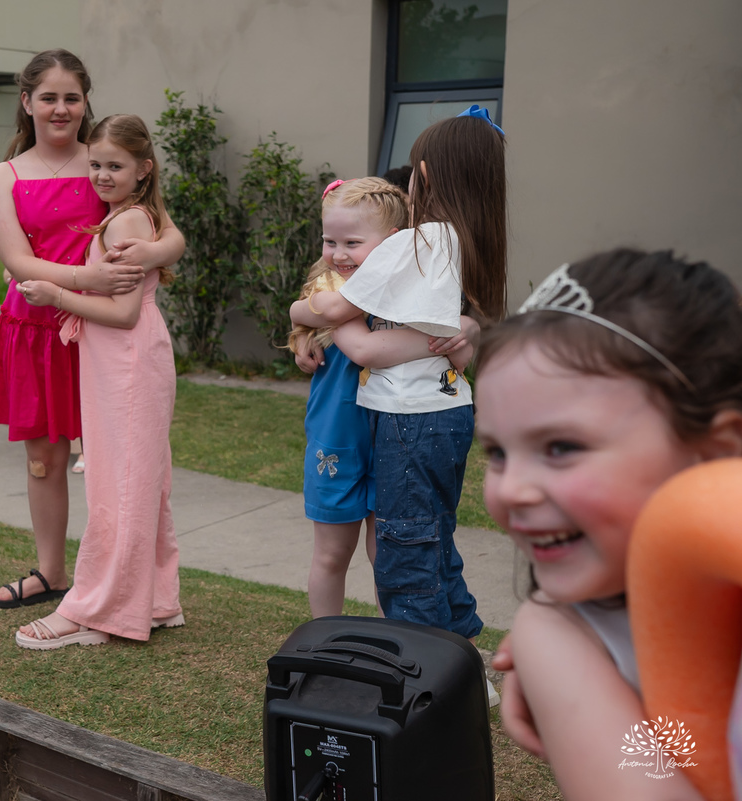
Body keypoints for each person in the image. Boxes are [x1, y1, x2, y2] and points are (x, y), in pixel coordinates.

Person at [475, 250, 742, 799]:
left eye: (562, 446)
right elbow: (680, 753)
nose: (510, 490)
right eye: (496, 452)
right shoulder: (572, 637)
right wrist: (556, 651)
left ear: (716, 452)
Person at [289, 108, 506, 640]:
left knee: (405, 556)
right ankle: (458, 654)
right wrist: (461, 333)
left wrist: (303, 311)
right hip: (447, 411)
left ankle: (426, 670)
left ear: (424, 176)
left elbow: (348, 328)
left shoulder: (419, 242)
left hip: (410, 418)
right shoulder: (469, 242)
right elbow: (460, 346)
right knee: (431, 542)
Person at [0, 49, 185, 610]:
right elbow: (19, 262)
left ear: (85, 102)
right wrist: (87, 274)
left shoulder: (103, 159)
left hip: (102, 333)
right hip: (33, 328)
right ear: (26, 102)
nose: (60, 108)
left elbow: (172, 236)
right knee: (44, 458)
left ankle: (119, 576)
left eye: (72, 97)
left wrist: (150, 252)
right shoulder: (5, 177)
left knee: (110, 457)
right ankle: (51, 573)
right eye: (48, 97)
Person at [14, 113, 180, 648]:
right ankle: (153, 601)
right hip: (121, 361)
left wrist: (56, 295)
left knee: (120, 486)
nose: (102, 175)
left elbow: (125, 311)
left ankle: (97, 611)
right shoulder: (129, 216)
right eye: (96, 165)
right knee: (136, 482)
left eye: (115, 165)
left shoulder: (125, 223)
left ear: (143, 170)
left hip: (128, 360)